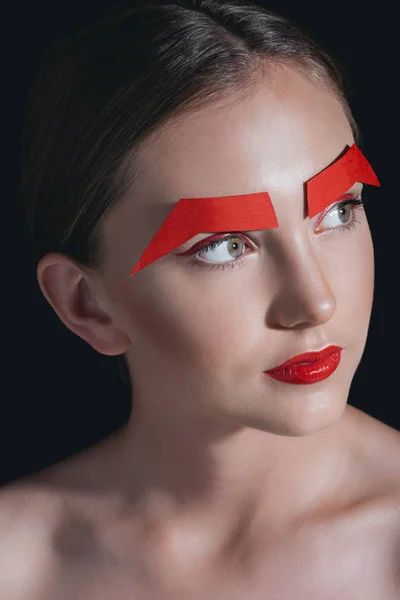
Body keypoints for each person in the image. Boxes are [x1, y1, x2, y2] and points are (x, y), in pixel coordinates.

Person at [2, 0, 399, 597]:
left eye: (338, 212)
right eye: (222, 247)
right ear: (87, 304)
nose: (315, 302)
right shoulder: (17, 561)